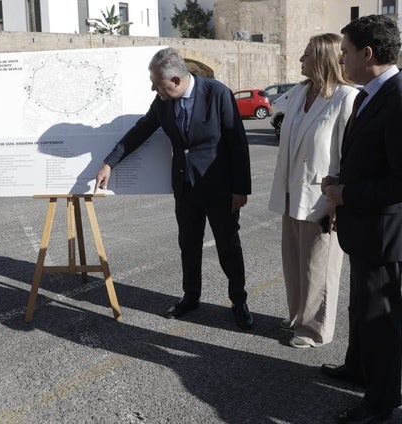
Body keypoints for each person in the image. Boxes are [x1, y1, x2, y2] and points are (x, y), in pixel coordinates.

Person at [95, 47, 254, 329]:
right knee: (188, 246)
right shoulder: (163, 102)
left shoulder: (217, 93)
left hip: (220, 188)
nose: (153, 88)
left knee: (228, 246)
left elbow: (237, 143)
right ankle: (191, 297)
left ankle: (238, 301)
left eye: (158, 83)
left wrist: (240, 189)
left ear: (177, 80)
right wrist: (109, 162)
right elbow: (140, 131)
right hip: (185, 187)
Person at [321, 15, 402, 423]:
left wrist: (346, 193)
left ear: (367, 54)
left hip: (385, 233)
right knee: (360, 307)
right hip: (364, 227)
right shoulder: (370, 92)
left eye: (346, 53)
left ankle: (381, 401)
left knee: (380, 320)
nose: (342, 61)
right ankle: (358, 368)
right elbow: (372, 158)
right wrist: (342, 180)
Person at [268, 33, 357, 348]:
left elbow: (350, 155)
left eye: (306, 55)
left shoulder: (346, 97)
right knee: (293, 262)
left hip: (323, 197)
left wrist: (338, 202)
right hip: (291, 193)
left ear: (322, 58)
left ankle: (315, 329)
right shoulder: (296, 93)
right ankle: (296, 316)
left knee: (319, 266)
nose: (300, 60)